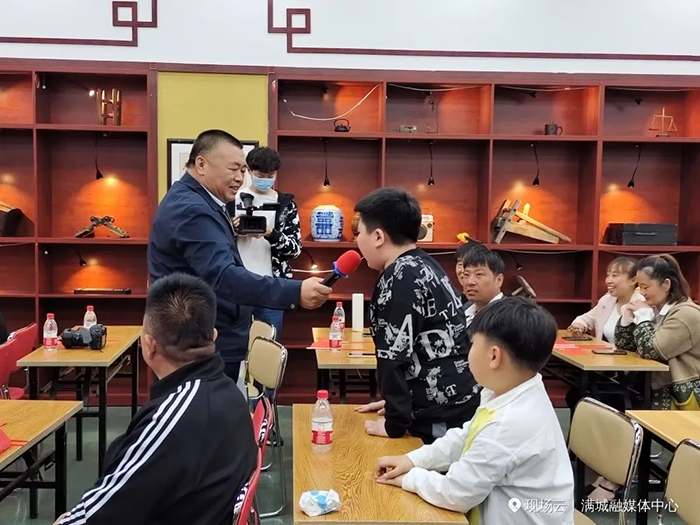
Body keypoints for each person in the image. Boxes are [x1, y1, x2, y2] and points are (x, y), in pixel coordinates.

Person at [55, 273, 257, 525]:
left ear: (149, 346)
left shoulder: (175, 418)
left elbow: (94, 518)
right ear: (213, 336)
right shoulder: (228, 392)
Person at [148, 130, 331, 381]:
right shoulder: (192, 209)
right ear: (201, 164)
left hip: (212, 332)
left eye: (243, 171)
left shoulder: (205, 201)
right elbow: (223, 276)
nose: (239, 178)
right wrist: (295, 291)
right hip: (195, 340)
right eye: (233, 169)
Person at [374, 297, 574, 525]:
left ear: (494, 356)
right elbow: (468, 436)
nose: (467, 352)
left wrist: (410, 478)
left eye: (472, 345)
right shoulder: (507, 391)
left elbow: (456, 493)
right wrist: (413, 459)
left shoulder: (508, 423)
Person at [353, 188, 480, 444]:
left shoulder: (398, 278)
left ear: (377, 236)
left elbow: (393, 357)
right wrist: (397, 403)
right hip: (457, 400)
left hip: (439, 416)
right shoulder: (424, 263)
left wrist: (395, 422)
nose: (356, 241)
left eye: (359, 233)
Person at [229, 146, 301, 341]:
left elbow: (295, 250)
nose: (266, 180)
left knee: (269, 346)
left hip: (271, 287)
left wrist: (271, 233)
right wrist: (233, 229)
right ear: (249, 171)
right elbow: (217, 242)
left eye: (271, 176)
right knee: (234, 345)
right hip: (237, 284)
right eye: (261, 175)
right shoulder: (232, 201)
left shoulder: (286, 205)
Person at [615, 255, 700, 410]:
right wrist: (627, 317)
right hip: (647, 390)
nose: (641, 293)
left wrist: (643, 318)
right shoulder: (654, 309)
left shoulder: (686, 314)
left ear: (666, 284)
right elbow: (624, 346)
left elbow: (651, 351)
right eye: (639, 287)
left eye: (645, 287)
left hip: (677, 398)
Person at [568, 257, 641, 343]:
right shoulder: (607, 300)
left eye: (614, 275)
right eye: (608, 275)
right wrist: (579, 325)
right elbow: (585, 319)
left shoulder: (642, 304)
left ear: (633, 280)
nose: (608, 281)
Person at [459, 245, 505, 327]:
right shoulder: (463, 309)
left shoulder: (509, 315)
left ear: (499, 280)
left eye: (479, 274)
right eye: (466, 274)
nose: (470, 282)